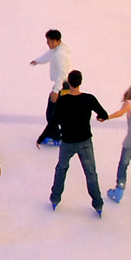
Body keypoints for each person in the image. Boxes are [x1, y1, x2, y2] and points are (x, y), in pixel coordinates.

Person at [49, 70, 109, 214]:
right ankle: (98, 204)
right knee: (91, 173)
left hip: (67, 142)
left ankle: (55, 198)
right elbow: (104, 114)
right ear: (80, 82)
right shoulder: (89, 99)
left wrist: (41, 137)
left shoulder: (62, 101)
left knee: (61, 170)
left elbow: (54, 120)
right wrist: (100, 118)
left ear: (69, 82)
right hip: (85, 142)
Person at [32, 30, 72, 145]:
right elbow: (48, 55)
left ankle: (56, 136)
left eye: (52, 42)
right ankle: (57, 134)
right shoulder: (56, 50)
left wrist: (55, 91)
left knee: (52, 112)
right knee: (55, 112)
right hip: (62, 85)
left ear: (58, 41)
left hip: (63, 86)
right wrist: (38, 61)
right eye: (48, 41)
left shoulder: (60, 54)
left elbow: (62, 73)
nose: (49, 44)